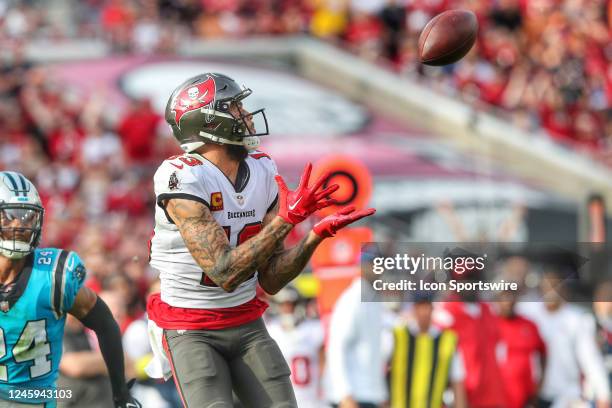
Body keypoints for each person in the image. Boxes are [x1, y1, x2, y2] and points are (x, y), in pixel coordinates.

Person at [145, 72, 376, 408]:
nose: (246, 114)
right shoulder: (182, 175)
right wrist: (288, 219)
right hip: (190, 325)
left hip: (245, 320)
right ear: (209, 121)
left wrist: (313, 236)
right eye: (235, 107)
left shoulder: (263, 169)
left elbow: (271, 278)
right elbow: (224, 272)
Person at [0, 171, 139, 408]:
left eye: (27, 216)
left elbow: (105, 323)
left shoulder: (53, 276)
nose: (20, 224)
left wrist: (120, 392)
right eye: (10, 215)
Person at [517, 271, 610, 408]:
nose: (551, 292)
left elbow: (590, 358)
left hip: (565, 395)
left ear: (564, 290)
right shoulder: (529, 313)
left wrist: (603, 394)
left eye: (556, 286)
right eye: (547, 287)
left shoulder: (577, 319)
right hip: (533, 394)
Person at [324, 248, 388, 408]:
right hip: (353, 397)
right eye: (372, 263)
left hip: (369, 395)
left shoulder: (373, 299)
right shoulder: (352, 299)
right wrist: (344, 394)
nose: (377, 268)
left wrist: (381, 393)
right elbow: (336, 347)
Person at [389, 293, 467, 408]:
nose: (424, 312)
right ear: (414, 308)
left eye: (427, 307)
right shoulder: (398, 337)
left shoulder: (447, 341)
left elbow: (457, 381)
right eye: (420, 306)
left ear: (432, 309)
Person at [267, 286, 326, 408]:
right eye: (283, 304)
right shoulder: (271, 330)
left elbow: (324, 361)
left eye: (291, 304)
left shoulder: (314, 329)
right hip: (284, 399)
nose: (288, 309)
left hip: (313, 399)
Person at [495, 291, 546, 408]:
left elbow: (543, 351)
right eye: (504, 299)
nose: (508, 303)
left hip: (526, 394)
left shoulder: (529, 325)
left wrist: (540, 383)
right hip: (498, 394)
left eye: (510, 298)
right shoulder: (491, 325)